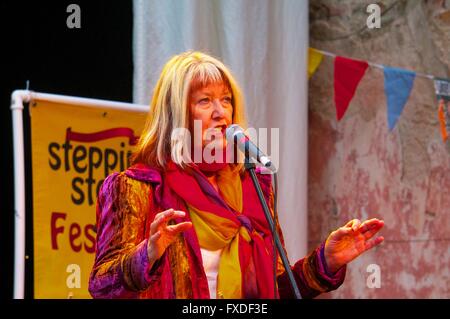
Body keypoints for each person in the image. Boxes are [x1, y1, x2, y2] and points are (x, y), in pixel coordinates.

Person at [88, 51, 384, 299]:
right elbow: (101, 286)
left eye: (226, 100)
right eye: (204, 101)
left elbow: (277, 290)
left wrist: (326, 262)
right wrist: (147, 254)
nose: (221, 113)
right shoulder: (137, 187)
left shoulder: (254, 187)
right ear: (176, 113)